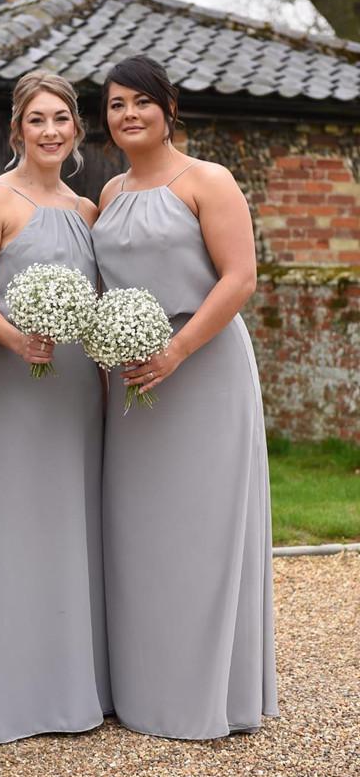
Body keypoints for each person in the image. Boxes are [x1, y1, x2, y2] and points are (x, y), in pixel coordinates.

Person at [92, 55, 279, 740]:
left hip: (201, 367)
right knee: (136, 532)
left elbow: (239, 279)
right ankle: (144, 689)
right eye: (116, 105)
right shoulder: (108, 195)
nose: (129, 115)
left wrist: (177, 349)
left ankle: (208, 695)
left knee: (202, 530)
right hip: (131, 381)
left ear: (169, 108)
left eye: (141, 101)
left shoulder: (209, 180)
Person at [0, 70, 112, 744]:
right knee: (16, 521)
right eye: (37, 119)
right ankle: (14, 698)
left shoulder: (87, 213)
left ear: (75, 129)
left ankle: (79, 686)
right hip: (16, 380)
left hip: (78, 387)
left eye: (61, 119)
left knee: (74, 523)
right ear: (16, 128)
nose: (50, 131)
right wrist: (18, 340)